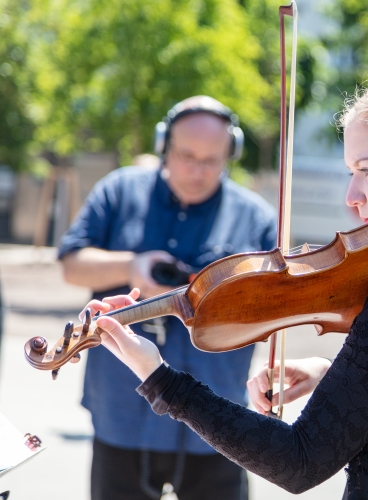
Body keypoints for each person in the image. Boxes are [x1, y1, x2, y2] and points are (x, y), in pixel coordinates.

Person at [83, 69, 368, 499]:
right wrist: (337, 377)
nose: (353, 196)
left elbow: (299, 461)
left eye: (366, 169)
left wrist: (160, 379)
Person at [59, 96, 276, 500]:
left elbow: (274, 309)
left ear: (233, 153)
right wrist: (131, 265)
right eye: (186, 155)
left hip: (217, 420)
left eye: (212, 160)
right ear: (163, 145)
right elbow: (72, 263)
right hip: (121, 410)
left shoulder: (258, 218)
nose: (197, 170)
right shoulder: (120, 190)